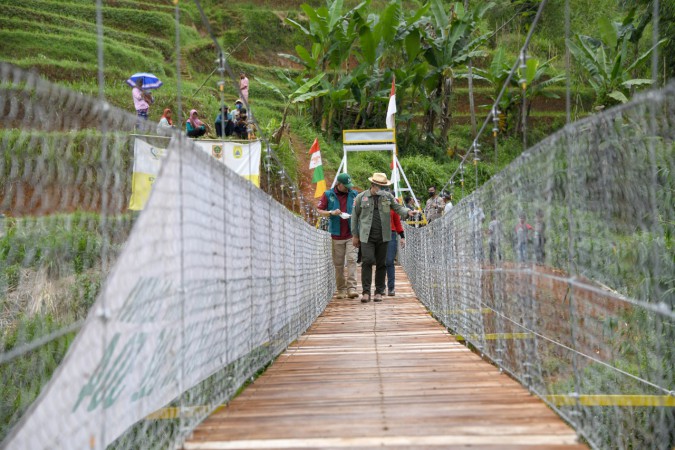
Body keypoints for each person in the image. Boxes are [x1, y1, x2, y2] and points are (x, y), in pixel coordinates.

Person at [351, 173, 416, 303]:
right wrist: (355, 235)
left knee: (382, 263)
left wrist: (407, 212)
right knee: (367, 261)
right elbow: (354, 217)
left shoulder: (388, 197)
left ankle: (379, 291)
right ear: (372, 185)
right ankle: (366, 291)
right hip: (366, 236)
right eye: (379, 186)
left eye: (383, 186)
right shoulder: (361, 197)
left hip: (384, 235)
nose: (381, 189)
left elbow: (398, 208)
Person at [317, 173, 359, 300]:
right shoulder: (328, 195)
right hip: (336, 234)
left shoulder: (354, 194)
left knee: (352, 260)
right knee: (339, 264)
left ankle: (352, 288)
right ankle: (341, 289)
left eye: (349, 186)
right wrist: (331, 212)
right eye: (345, 186)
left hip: (352, 234)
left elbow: (361, 210)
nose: (347, 188)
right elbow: (319, 210)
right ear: (338, 184)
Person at [385, 198, 405, 296]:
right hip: (378, 235)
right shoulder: (377, 205)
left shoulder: (393, 207)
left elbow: (397, 222)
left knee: (389, 261)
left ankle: (391, 288)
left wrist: (402, 237)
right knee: (381, 262)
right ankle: (380, 288)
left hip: (391, 235)